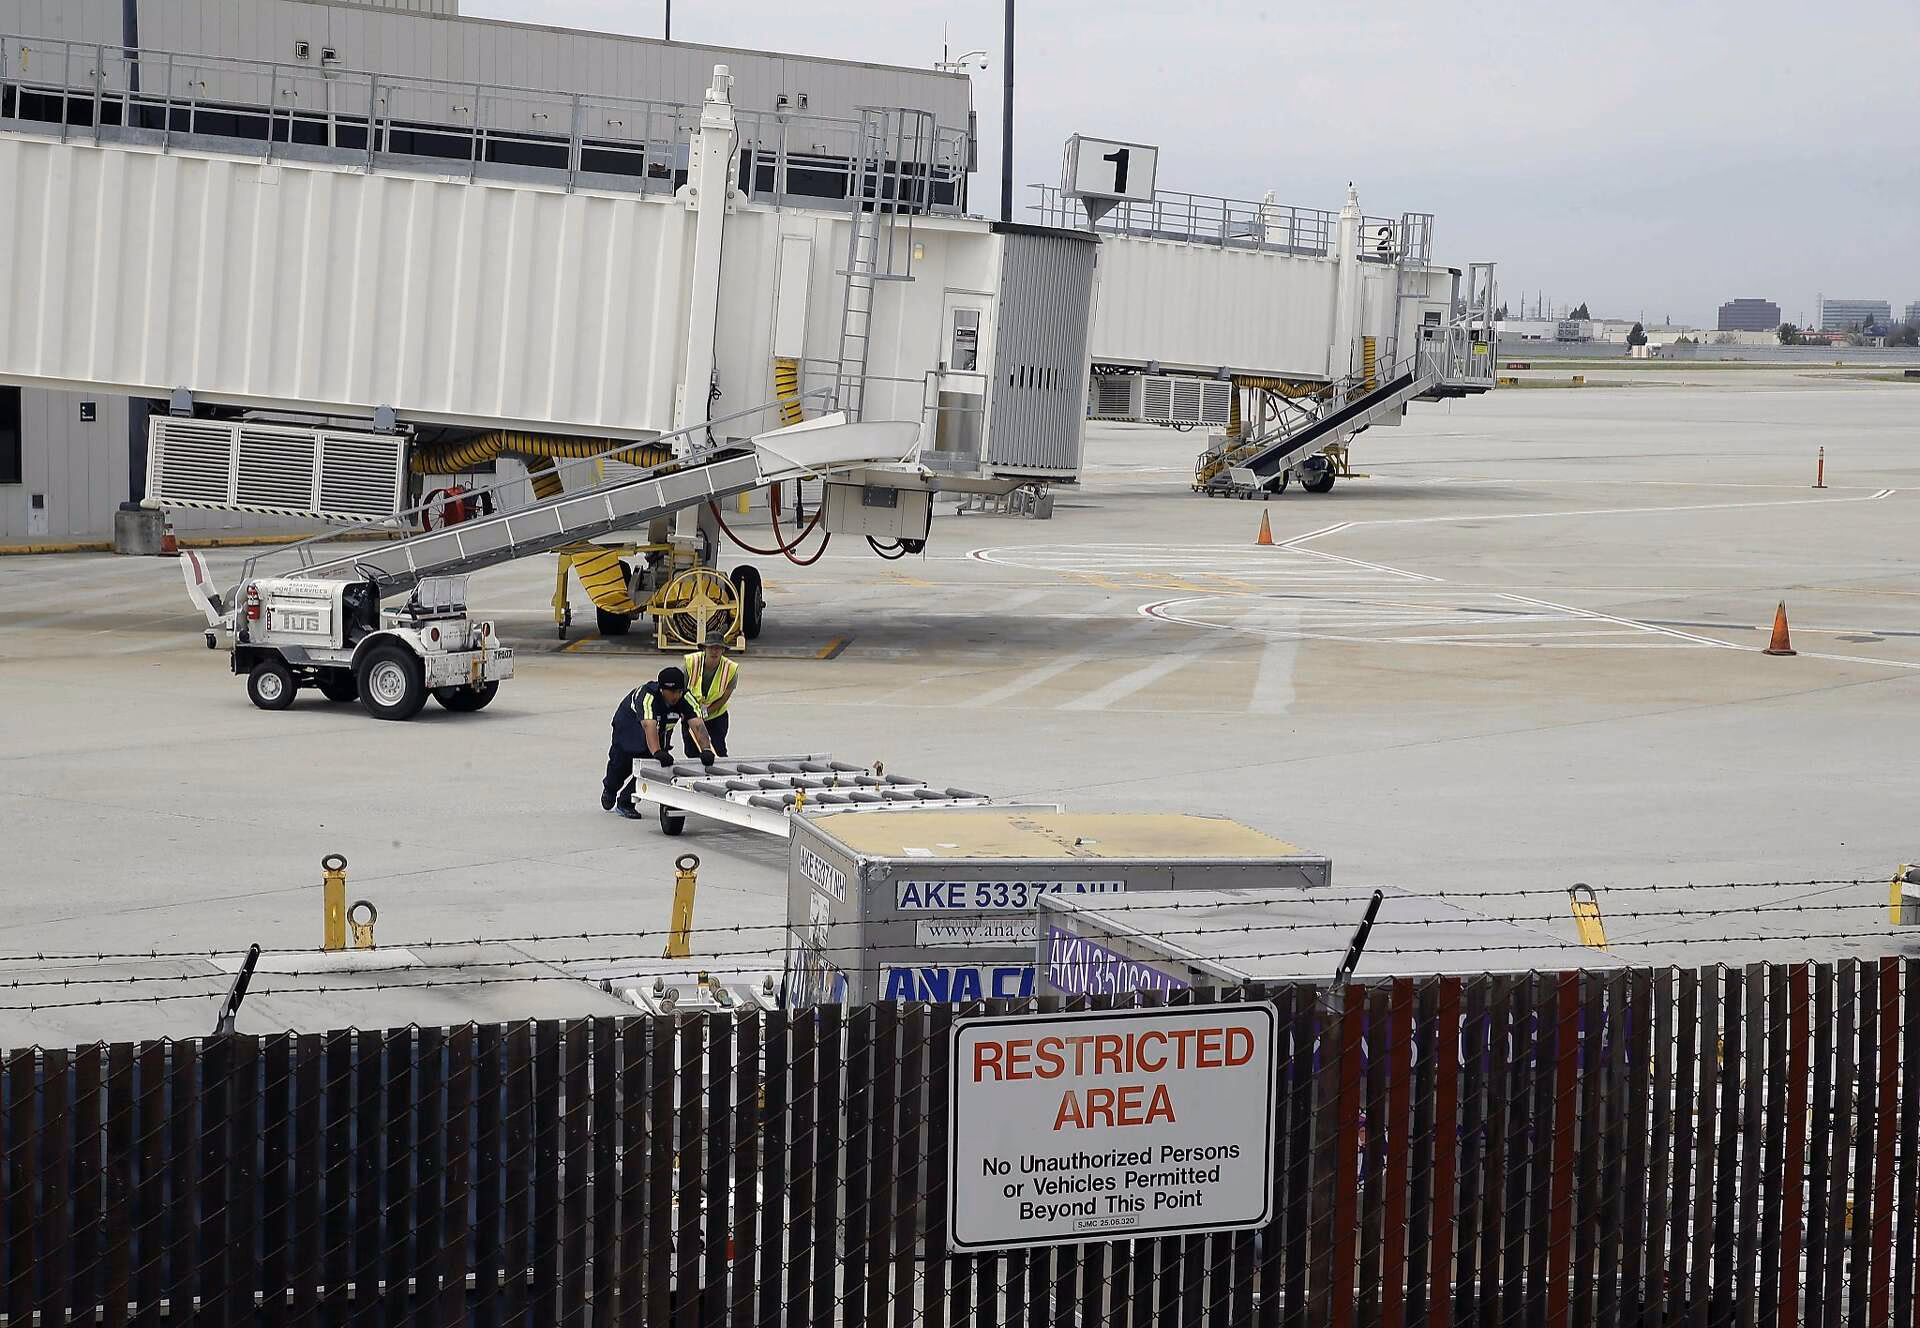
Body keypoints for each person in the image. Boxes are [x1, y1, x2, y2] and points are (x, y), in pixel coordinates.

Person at [601, 667, 716, 819]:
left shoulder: (686, 697)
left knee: (653, 767)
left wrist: (706, 749)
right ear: (662, 690)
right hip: (630, 724)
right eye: (672, 692)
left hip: (660, 727)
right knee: (623, 761)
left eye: (679, 691)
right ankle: (610, 789)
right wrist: (656, 751)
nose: (676, 696)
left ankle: (625, 802)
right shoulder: (648, 696)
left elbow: (697, 724)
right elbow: (649, 725)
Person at [681, 638, 739, 757]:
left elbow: (724, 698)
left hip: (716, 716)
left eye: (718, 648)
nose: (714, 651)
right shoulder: (691, 662)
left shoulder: (731, 669)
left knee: (718, 751)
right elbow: (681, 690)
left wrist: (705, 712)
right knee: (691, 752)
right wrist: (689, 714)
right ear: (704, 649)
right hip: (691, 715)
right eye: (711, 647)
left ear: (723, 650)